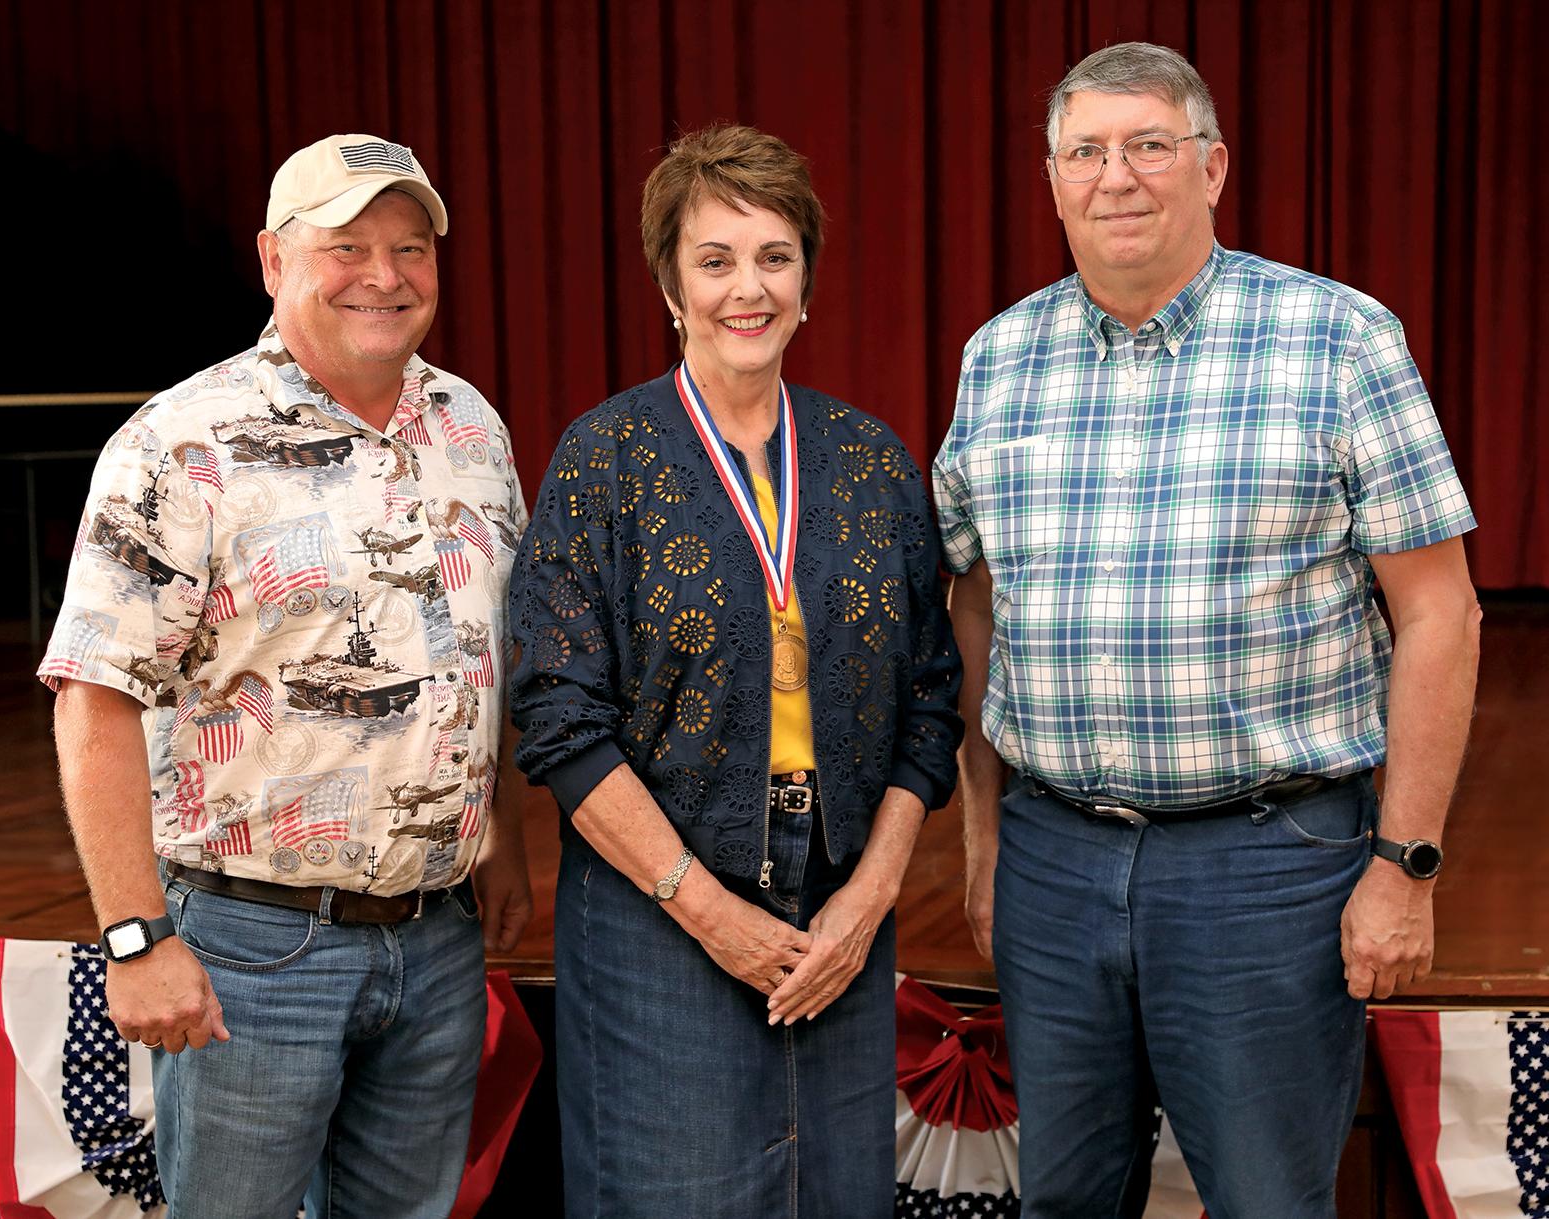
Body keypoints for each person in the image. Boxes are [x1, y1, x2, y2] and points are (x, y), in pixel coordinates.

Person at [933, 43, 1480, 1218]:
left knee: (1267, 1203)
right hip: (1054, 859)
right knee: (1062, 1202)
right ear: (1052, 179)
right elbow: (972, 606)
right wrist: (985, 840)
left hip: (1266, 867)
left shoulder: (1336, 340)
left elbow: (1440, 610)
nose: (1114, 176)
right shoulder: (999, 358)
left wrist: (1405, 865)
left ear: (1213, 166)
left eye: (1147, 145)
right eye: (1084, 151)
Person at [40, 133, 532, 1218]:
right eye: (346, 246)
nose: (385, 275)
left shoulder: (471, 427)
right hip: (251, 948)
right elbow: (93, 699)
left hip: (438, 939)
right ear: (273, 261)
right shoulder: (178, 442)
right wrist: (134, 937)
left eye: (410, 248)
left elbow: (481, 654)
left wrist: (500, 838)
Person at [509, 124, 962, 1216]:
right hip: (657, 920)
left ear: (807, 278)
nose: (745, 289)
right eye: (714, 260)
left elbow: (931, 697)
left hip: (836, 916)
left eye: (773, 256)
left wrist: (868, 899)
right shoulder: (603, 460)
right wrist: (708, 911)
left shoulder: (870, 460)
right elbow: (559, 722)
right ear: (669, 284)